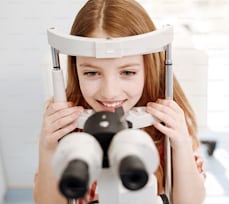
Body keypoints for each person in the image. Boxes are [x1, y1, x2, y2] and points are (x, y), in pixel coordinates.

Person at [33, 0, 206, 203]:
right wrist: (47, 147)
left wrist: (182, 144)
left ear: (149, 67)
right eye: (91, 72)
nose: (109, 92)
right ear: (75, 69)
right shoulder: (65, 124)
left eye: (127, 72)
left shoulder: (168, 121)